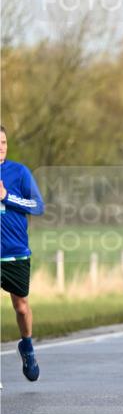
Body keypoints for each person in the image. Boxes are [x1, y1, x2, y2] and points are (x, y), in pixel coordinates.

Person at [0, 125, 45, 382]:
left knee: (21, 307)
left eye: (4, 142)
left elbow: (38, 206)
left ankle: (27, 347)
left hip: (15, 252)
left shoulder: (19, 172)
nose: (1, 147)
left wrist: (6, 196)